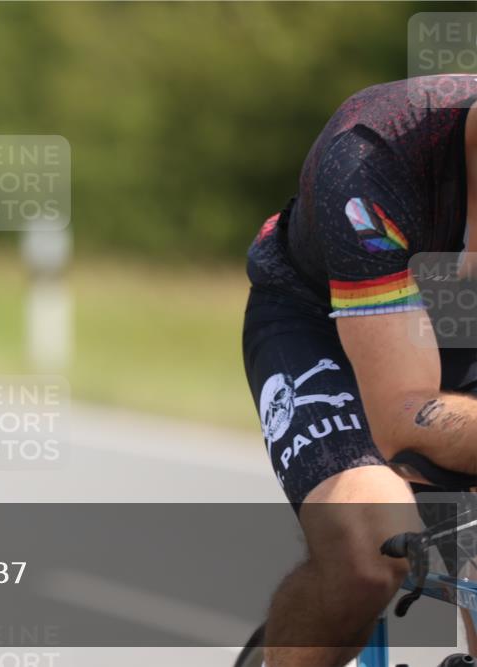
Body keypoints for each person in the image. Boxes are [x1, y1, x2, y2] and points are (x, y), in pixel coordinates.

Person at [243, 74, 477, 666]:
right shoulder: (372, 149)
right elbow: (404, 415)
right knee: (368, 550)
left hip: (462, 327)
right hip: (322, 320)